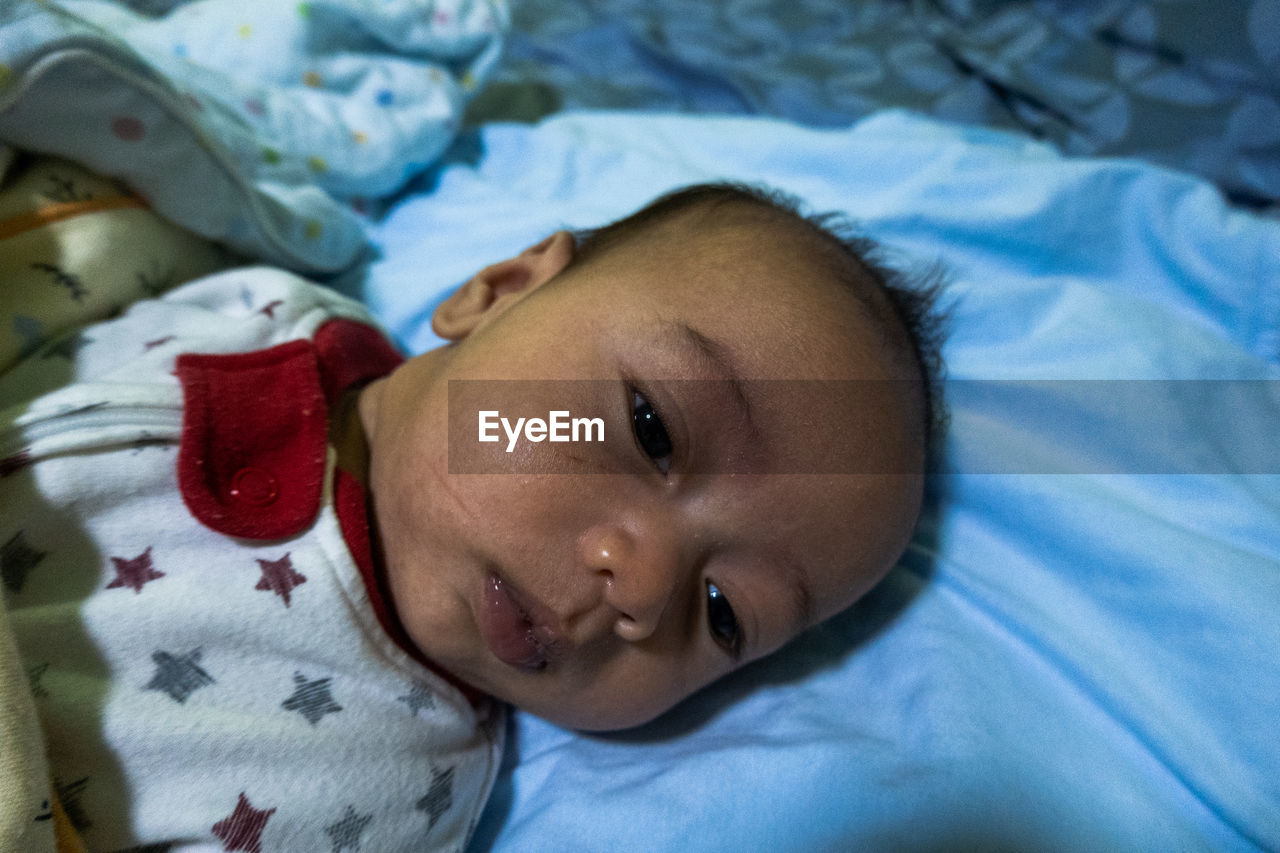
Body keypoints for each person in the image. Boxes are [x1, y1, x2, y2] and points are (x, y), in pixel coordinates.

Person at [0, 162, 944, 850]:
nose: (646, 587)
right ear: (497, 290)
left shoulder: (393, 787)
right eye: (652, 428)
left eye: (724, 612)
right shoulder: (259, 304)